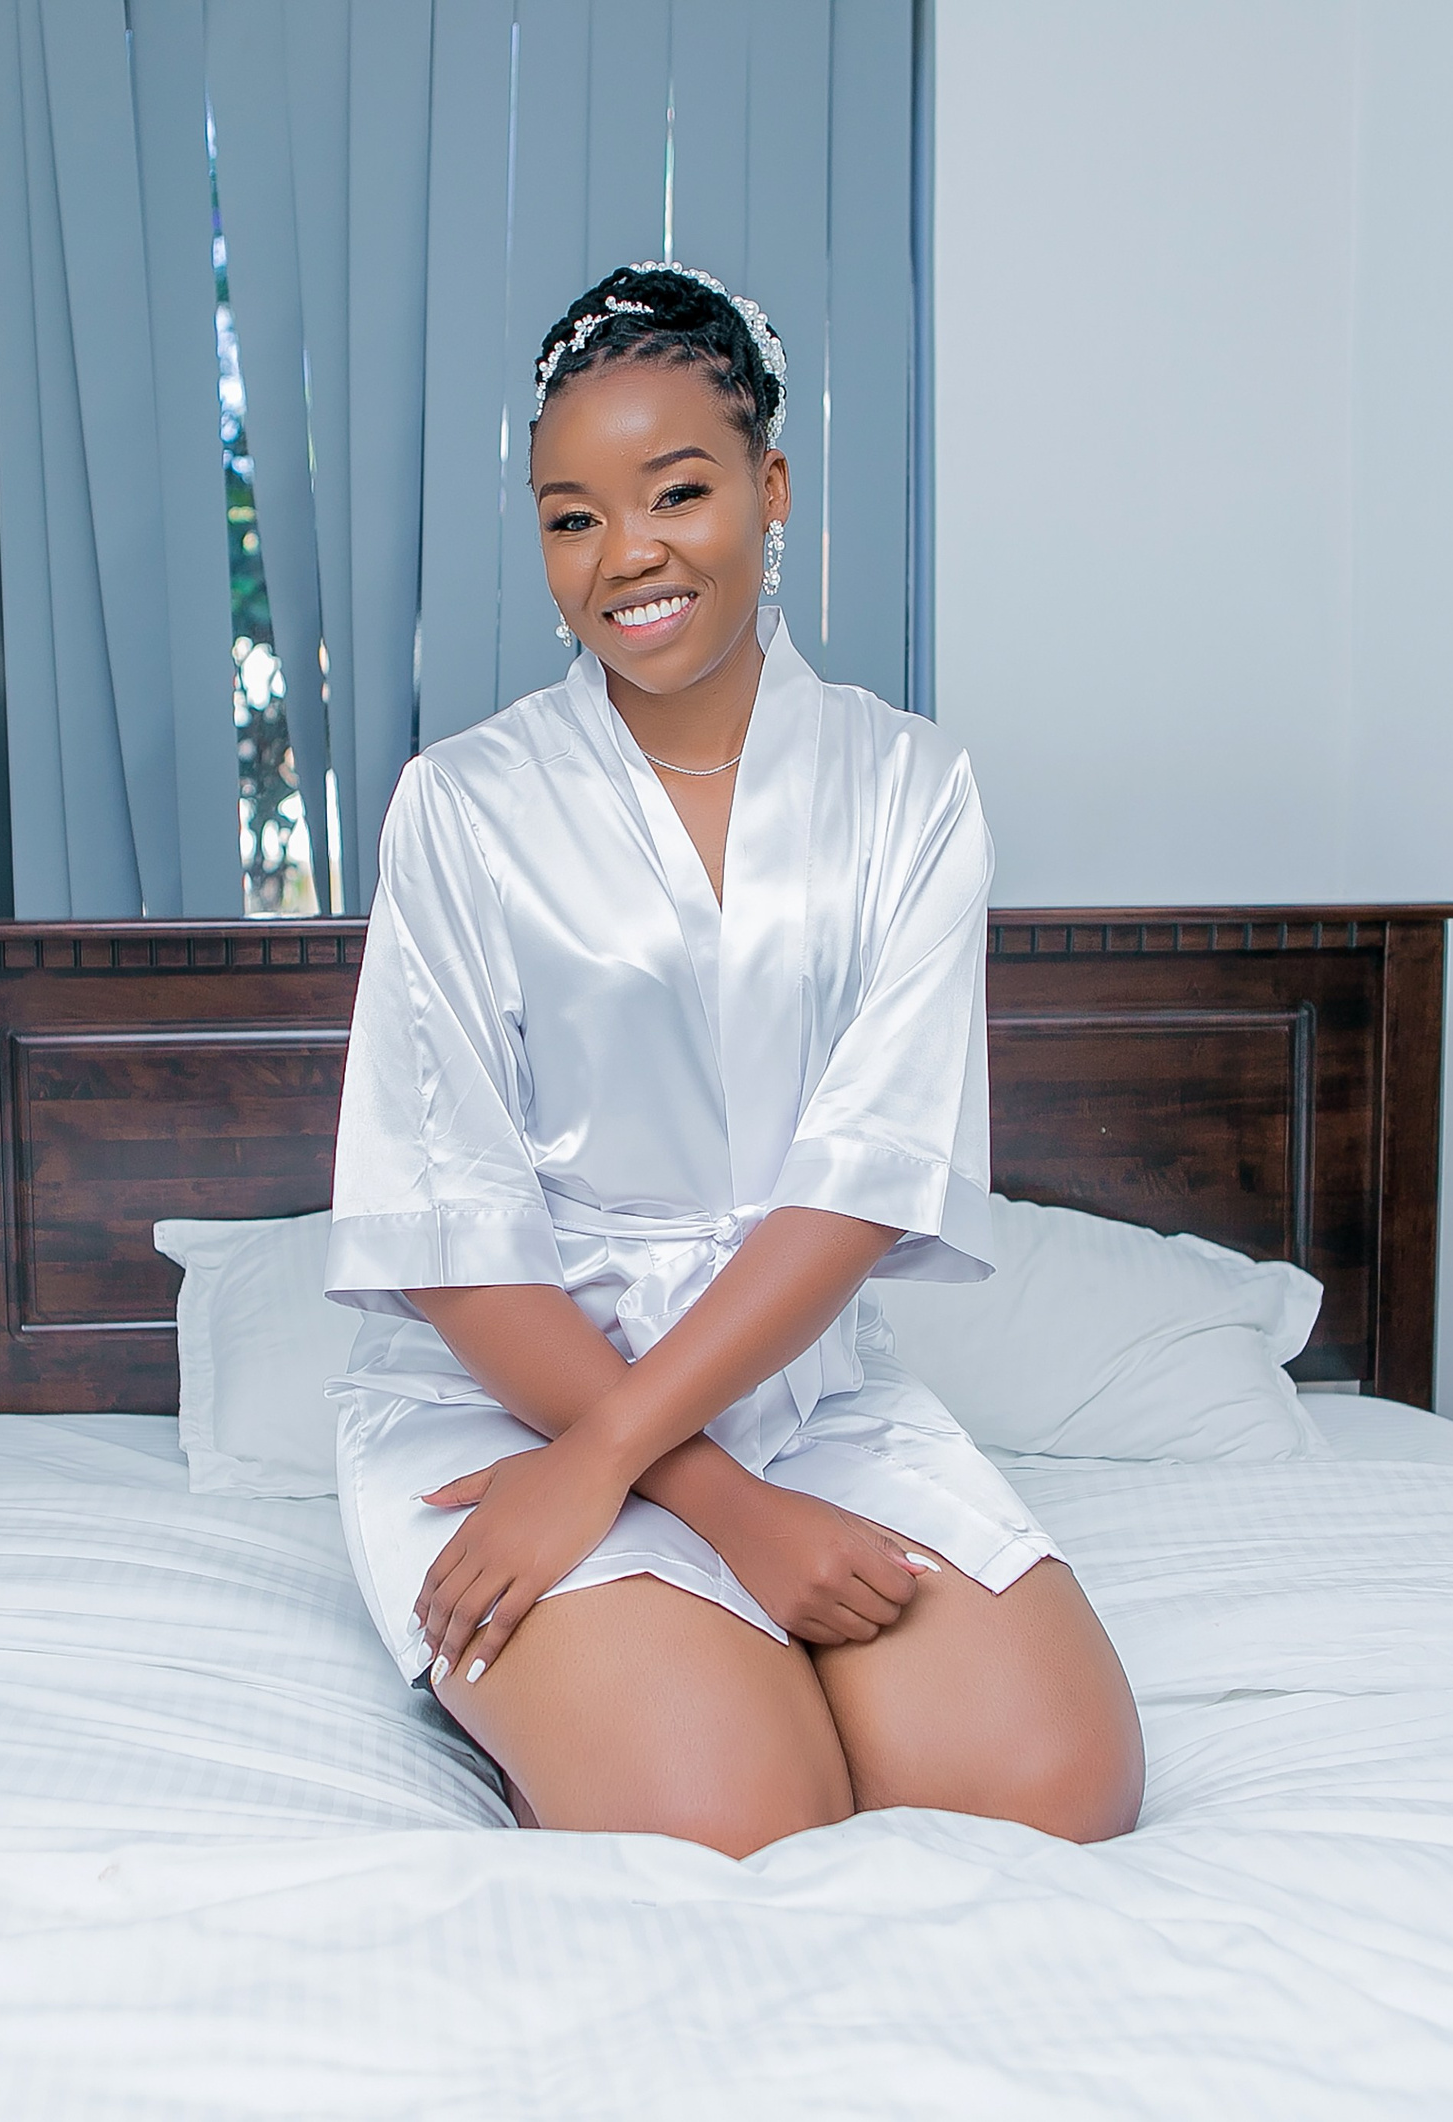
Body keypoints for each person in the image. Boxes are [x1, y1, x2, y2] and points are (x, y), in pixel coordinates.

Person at [325, 263, 1143, 1857]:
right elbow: (447, 1224)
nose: (625, 553)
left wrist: (659, 1462)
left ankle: (687, 1664)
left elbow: (866, 1178)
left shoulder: (911, 790)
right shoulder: (463, 805)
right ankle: (593, 1716)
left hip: (792, 1376)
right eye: (573, 516)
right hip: (515, 1399)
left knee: (1060, 1792)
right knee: (737, 1818)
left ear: (770, 487)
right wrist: (698, 1500)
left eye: (677, 492)